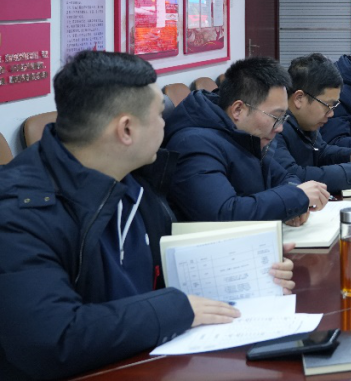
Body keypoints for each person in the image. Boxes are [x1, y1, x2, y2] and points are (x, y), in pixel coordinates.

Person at [0, 51, 294, 381]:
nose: (166, 124)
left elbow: (166, 266)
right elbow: (53, 339)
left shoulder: (132, 181)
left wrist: (250, 263)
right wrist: (174, 309)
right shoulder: (20, 212)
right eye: (158, 115)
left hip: (140, 360)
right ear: (126, 129)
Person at [165, 57, 331, 224]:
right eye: (276, 117)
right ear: (238, 110)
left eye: (283, 118)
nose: (280, 128)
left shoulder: (245, 135)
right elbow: (224, 214)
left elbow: (285, 177)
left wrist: (291, 204)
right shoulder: (194, 144)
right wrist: (294, 198)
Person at [269, 53, 351, 195]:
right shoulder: (273, 128)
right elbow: (293, 176)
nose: (331, 114)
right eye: (327, 105)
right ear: (299, 99)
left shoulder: (306, 121)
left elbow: (321, 152)